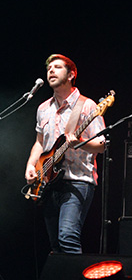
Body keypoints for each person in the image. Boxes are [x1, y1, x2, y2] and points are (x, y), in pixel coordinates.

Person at [24, 54, 106, 254]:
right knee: (55, 245)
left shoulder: (87, 105)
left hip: (78, 181)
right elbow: (39, 143)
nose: (51, 71)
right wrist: (30, 165)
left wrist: (79, 143)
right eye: (49, 68)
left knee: (67, 237)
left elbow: (101, 145)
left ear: (71, 75)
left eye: (57, 67)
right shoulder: (43, 108)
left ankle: (76, 276)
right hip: (49, 182)